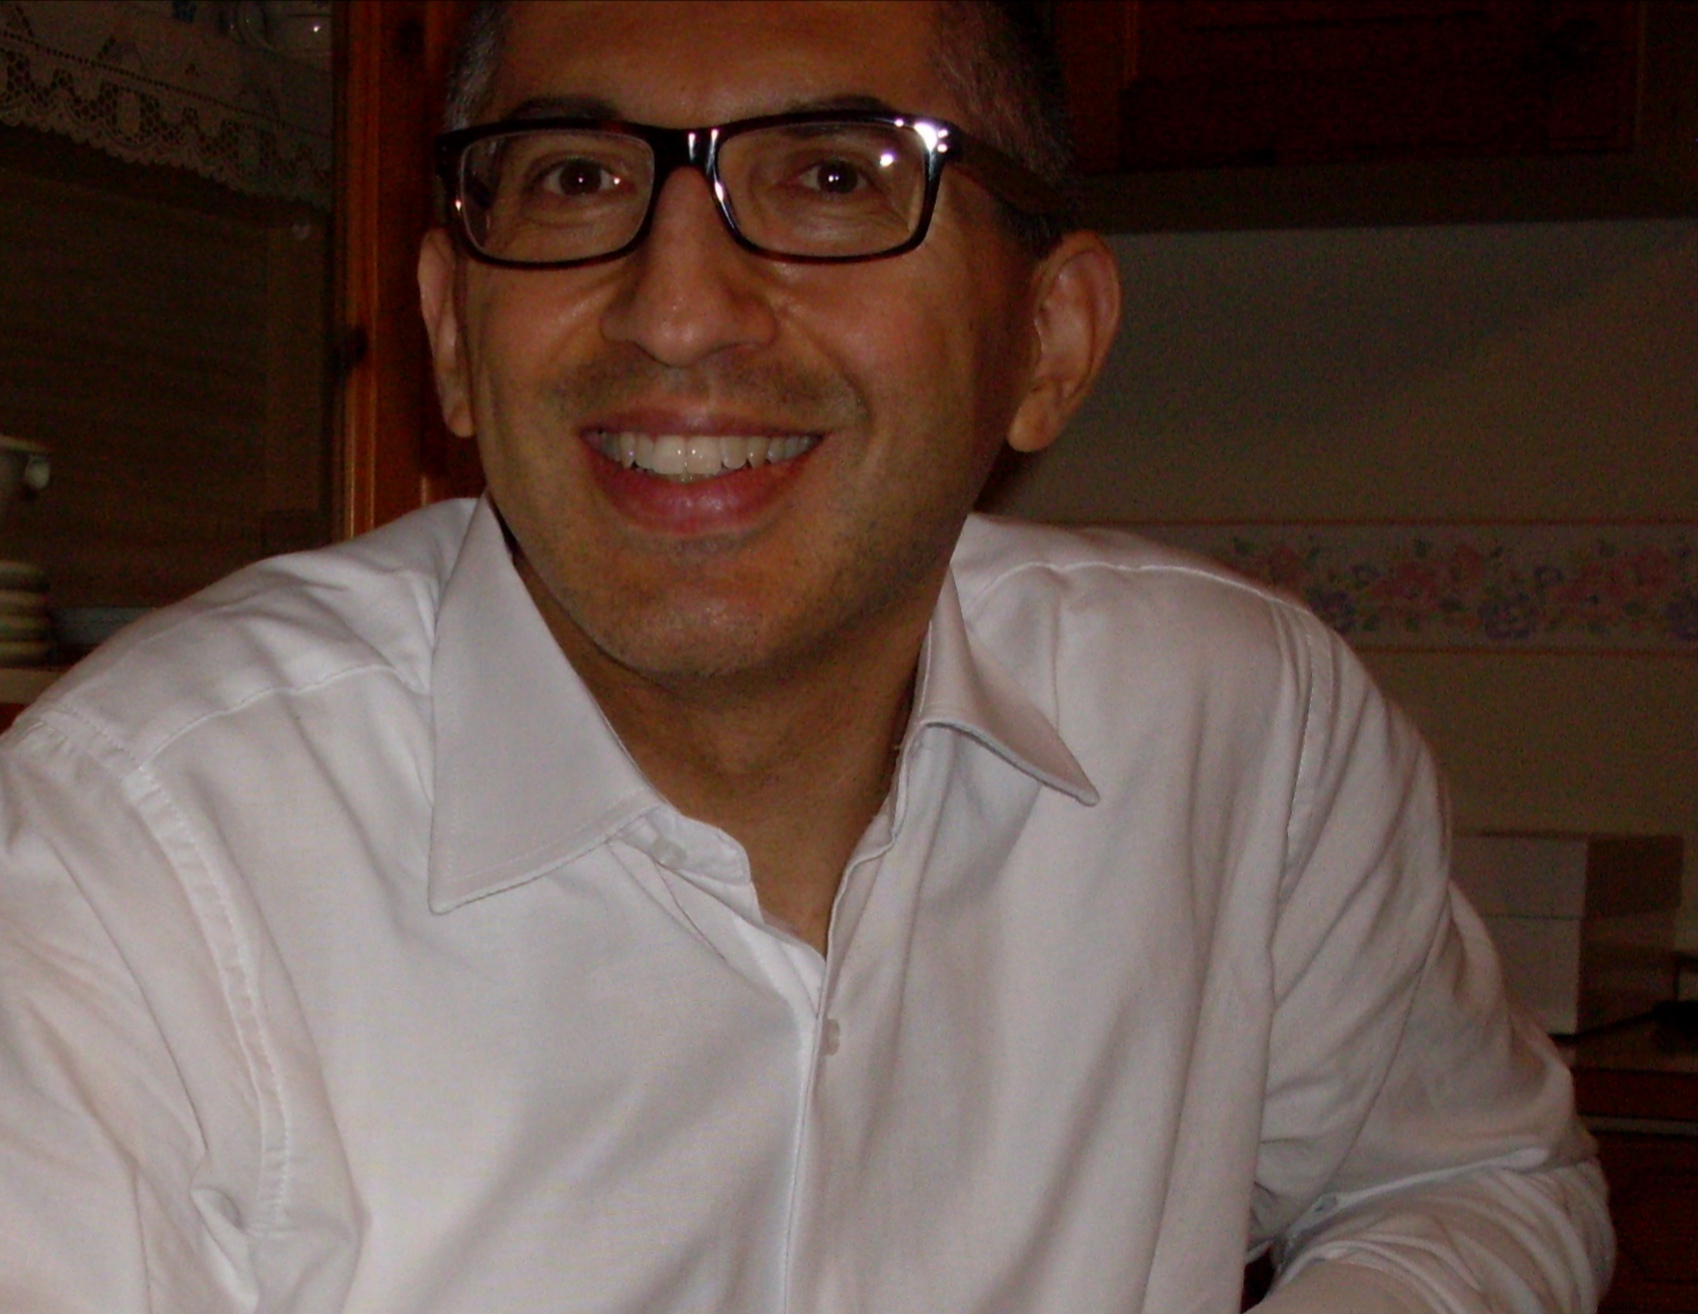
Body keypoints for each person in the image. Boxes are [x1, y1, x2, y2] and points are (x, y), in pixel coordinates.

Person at [0, 2, 1612, 1310]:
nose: (678, 309)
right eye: (576, 178)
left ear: (1047, 341)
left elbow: (1472, 1181)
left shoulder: (1235, 733)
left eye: (833, 177)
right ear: (448, 337)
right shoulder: (134, 852)